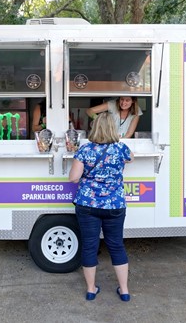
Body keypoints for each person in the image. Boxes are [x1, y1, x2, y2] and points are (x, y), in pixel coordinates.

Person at [68, 112, 134, 302]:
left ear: (95, 128)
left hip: (88, 205)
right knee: (116, 246)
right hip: (114, 205)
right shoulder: (121, 148)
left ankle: (91, 289)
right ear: (113, 129)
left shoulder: (85, 150)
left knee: (89, 245)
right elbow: (131, 158)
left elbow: (73, 178)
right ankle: (124, 290)